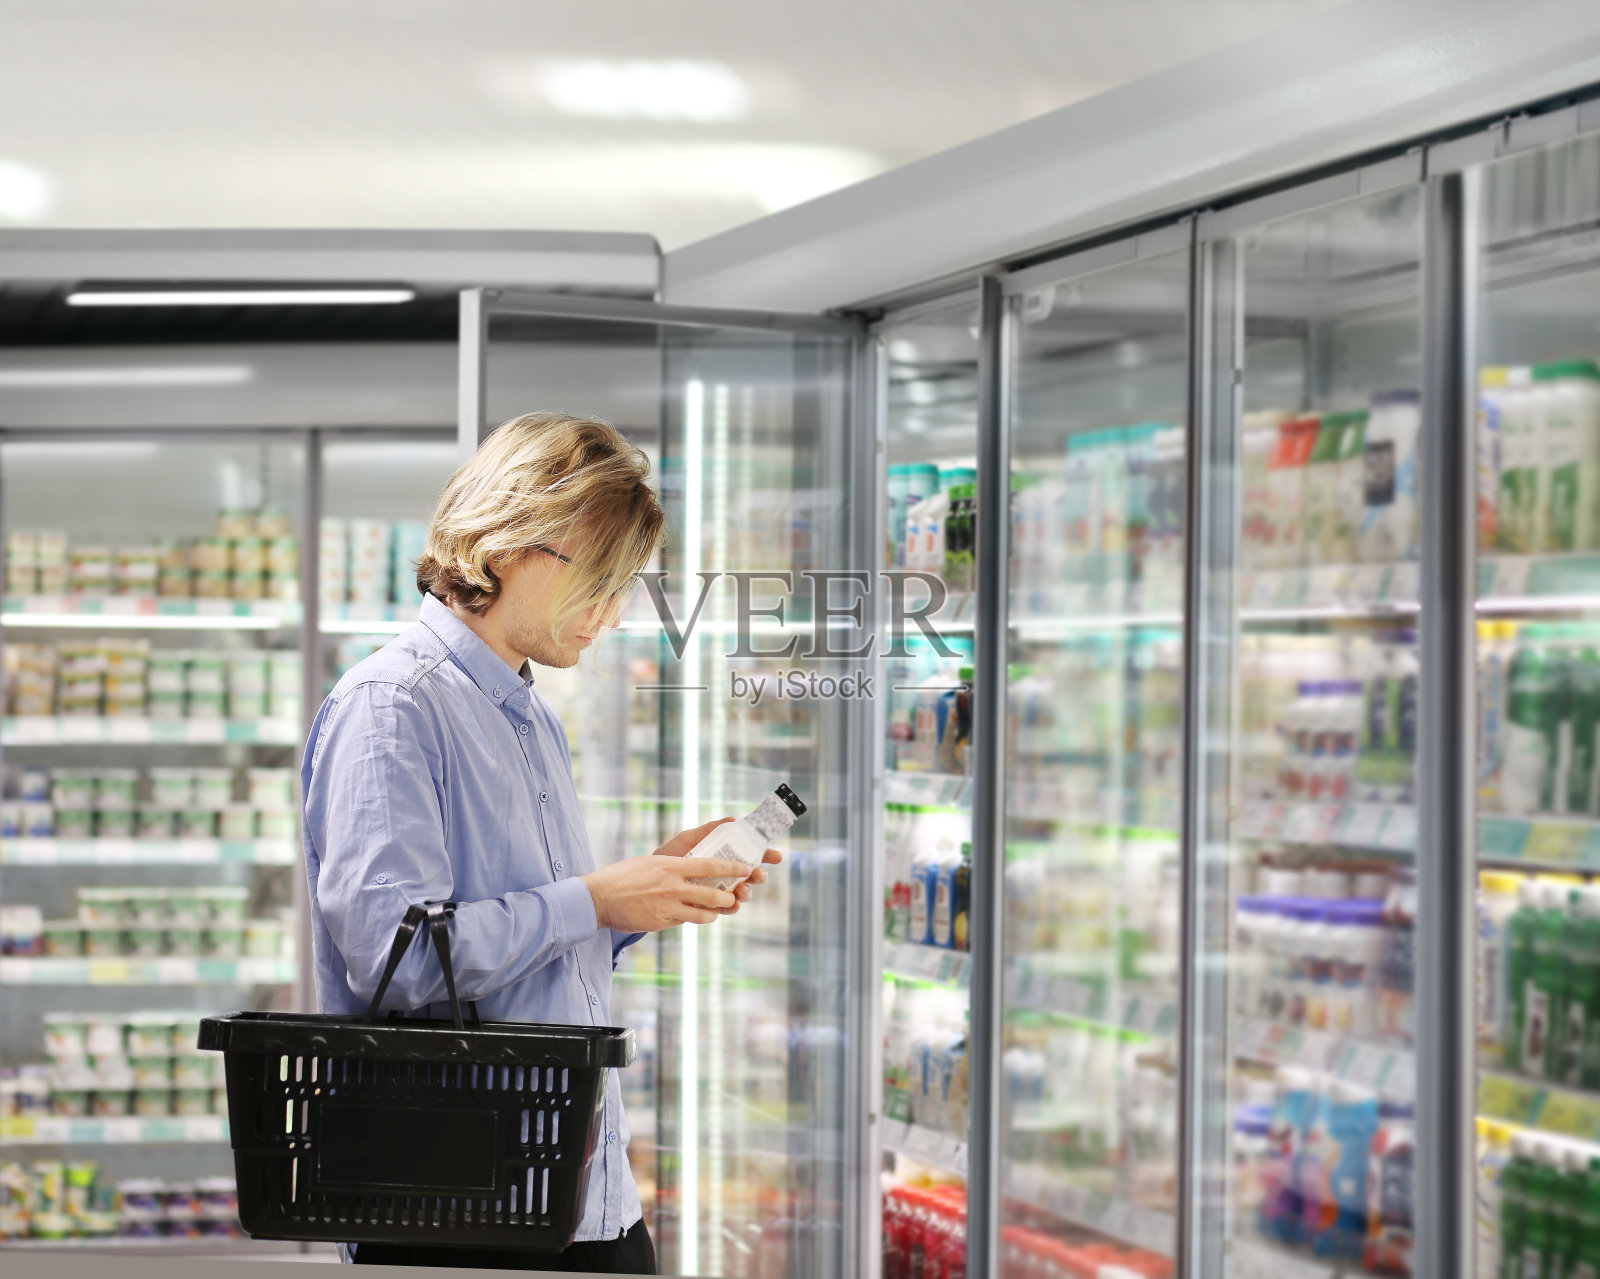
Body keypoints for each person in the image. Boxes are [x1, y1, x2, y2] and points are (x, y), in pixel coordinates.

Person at [302, 412, 777, 1273]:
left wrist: (645, 893)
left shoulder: (524, 713)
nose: (612, 612)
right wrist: (593, 898)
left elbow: (533, 946)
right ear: (507, 544)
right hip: (456, 1202)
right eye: (598, 578)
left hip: (578, 1192)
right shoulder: (391, 708)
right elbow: (398, 963)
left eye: (625, 584)